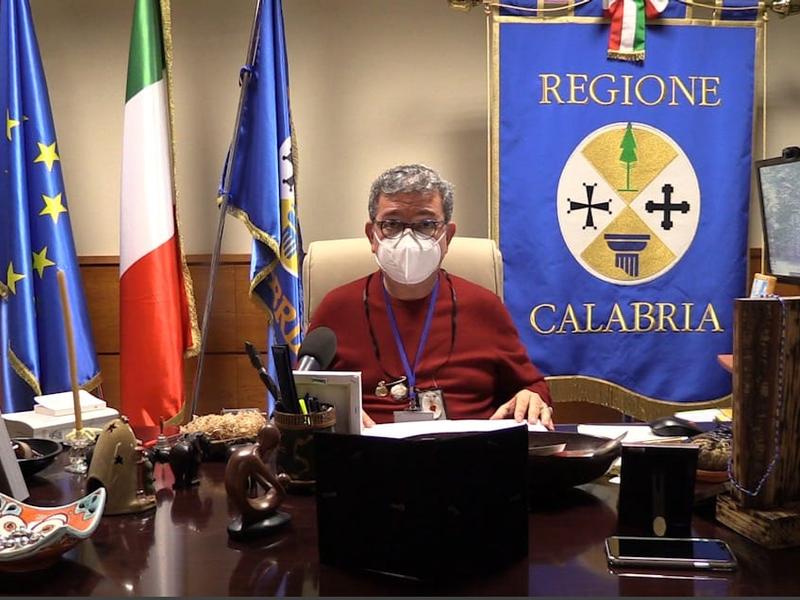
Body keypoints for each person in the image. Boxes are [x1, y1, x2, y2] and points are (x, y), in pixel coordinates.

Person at [308, 164, 553, 429]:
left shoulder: (484, 307)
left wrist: (532, 396)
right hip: (368, 450)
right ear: (372, 236)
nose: (408, 239)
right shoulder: (337, 308)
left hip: (469, 450)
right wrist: (327, 414)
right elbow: (302, 395)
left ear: (448, 236)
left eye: (426, 224)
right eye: (392, 224)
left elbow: (530, 388)